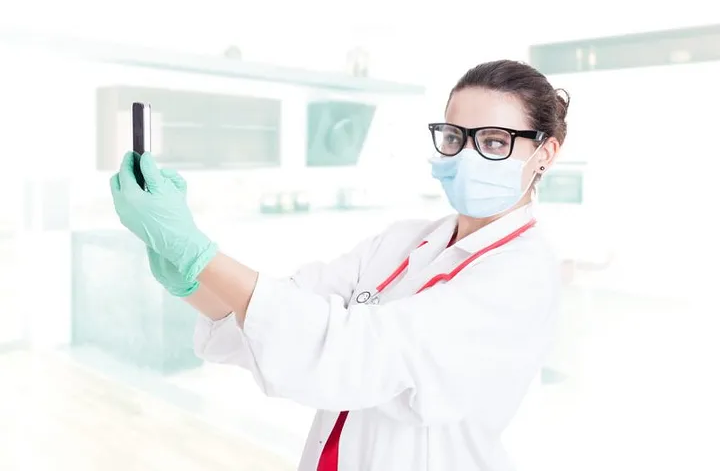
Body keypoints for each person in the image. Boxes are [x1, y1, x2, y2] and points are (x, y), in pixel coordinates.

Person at [110, 59, 570, 471]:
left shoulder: (522, 274)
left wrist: (198, 253)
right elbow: (286, 311)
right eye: (454, 137)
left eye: (494, 141)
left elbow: (356, 353)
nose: (467, 156)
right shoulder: (405, 240)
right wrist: (192, 279)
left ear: (545, 153)